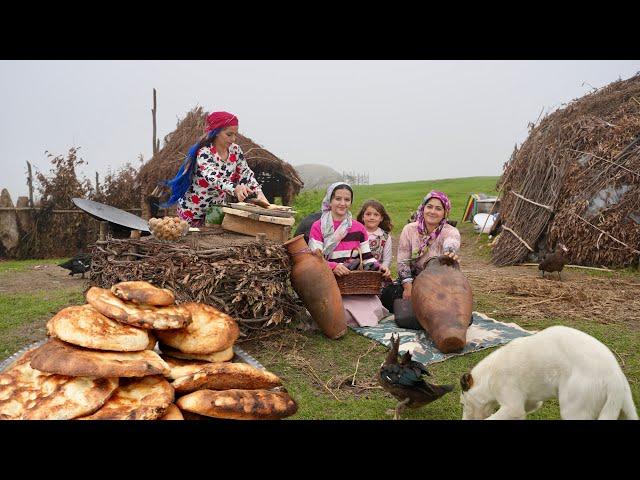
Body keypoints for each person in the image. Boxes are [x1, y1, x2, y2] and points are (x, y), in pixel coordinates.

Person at [160, 111, 270, 227]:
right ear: (216, 132)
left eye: (235, 134)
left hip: (216, 211)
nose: (233, 139)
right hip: (193, 212)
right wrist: (235, 189)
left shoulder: (235, 151)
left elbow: (246, 173)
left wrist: (259, 192)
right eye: (229, 134)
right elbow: (214, 178)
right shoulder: (205, 152)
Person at [308, 183, 392, 327]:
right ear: (330, 200)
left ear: (351, 202)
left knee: (375, 308)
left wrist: (380, 268)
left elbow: (367, 257)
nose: (342, 203)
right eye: (338, 199)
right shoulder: (318, 226)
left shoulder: (358, 228)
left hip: (352, 284)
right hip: (328, 282)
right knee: (336, 310)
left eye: (347, 200)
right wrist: (333, 266)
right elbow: (315, 259)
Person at [381, 190, 461, 311]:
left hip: (438, 283)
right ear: (423, 208)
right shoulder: (409, 229)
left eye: (438, 208)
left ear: (445, 213)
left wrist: (449, 252)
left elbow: (451, 242)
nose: (433, 211)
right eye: (429, 207)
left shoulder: (450, 231)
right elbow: (403, 263)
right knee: (388, 295)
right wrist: (408, 289)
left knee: (454, 308)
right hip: (413, 280)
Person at [356, 199, 393, 269]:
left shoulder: (385, 237)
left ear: (381, 218)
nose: (372, 217)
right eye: (368, 214)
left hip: (377, 273)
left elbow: (387, 260)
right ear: (362, 217)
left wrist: (382, 269)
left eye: (376, 215)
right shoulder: (356, 233)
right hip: (356, 272)